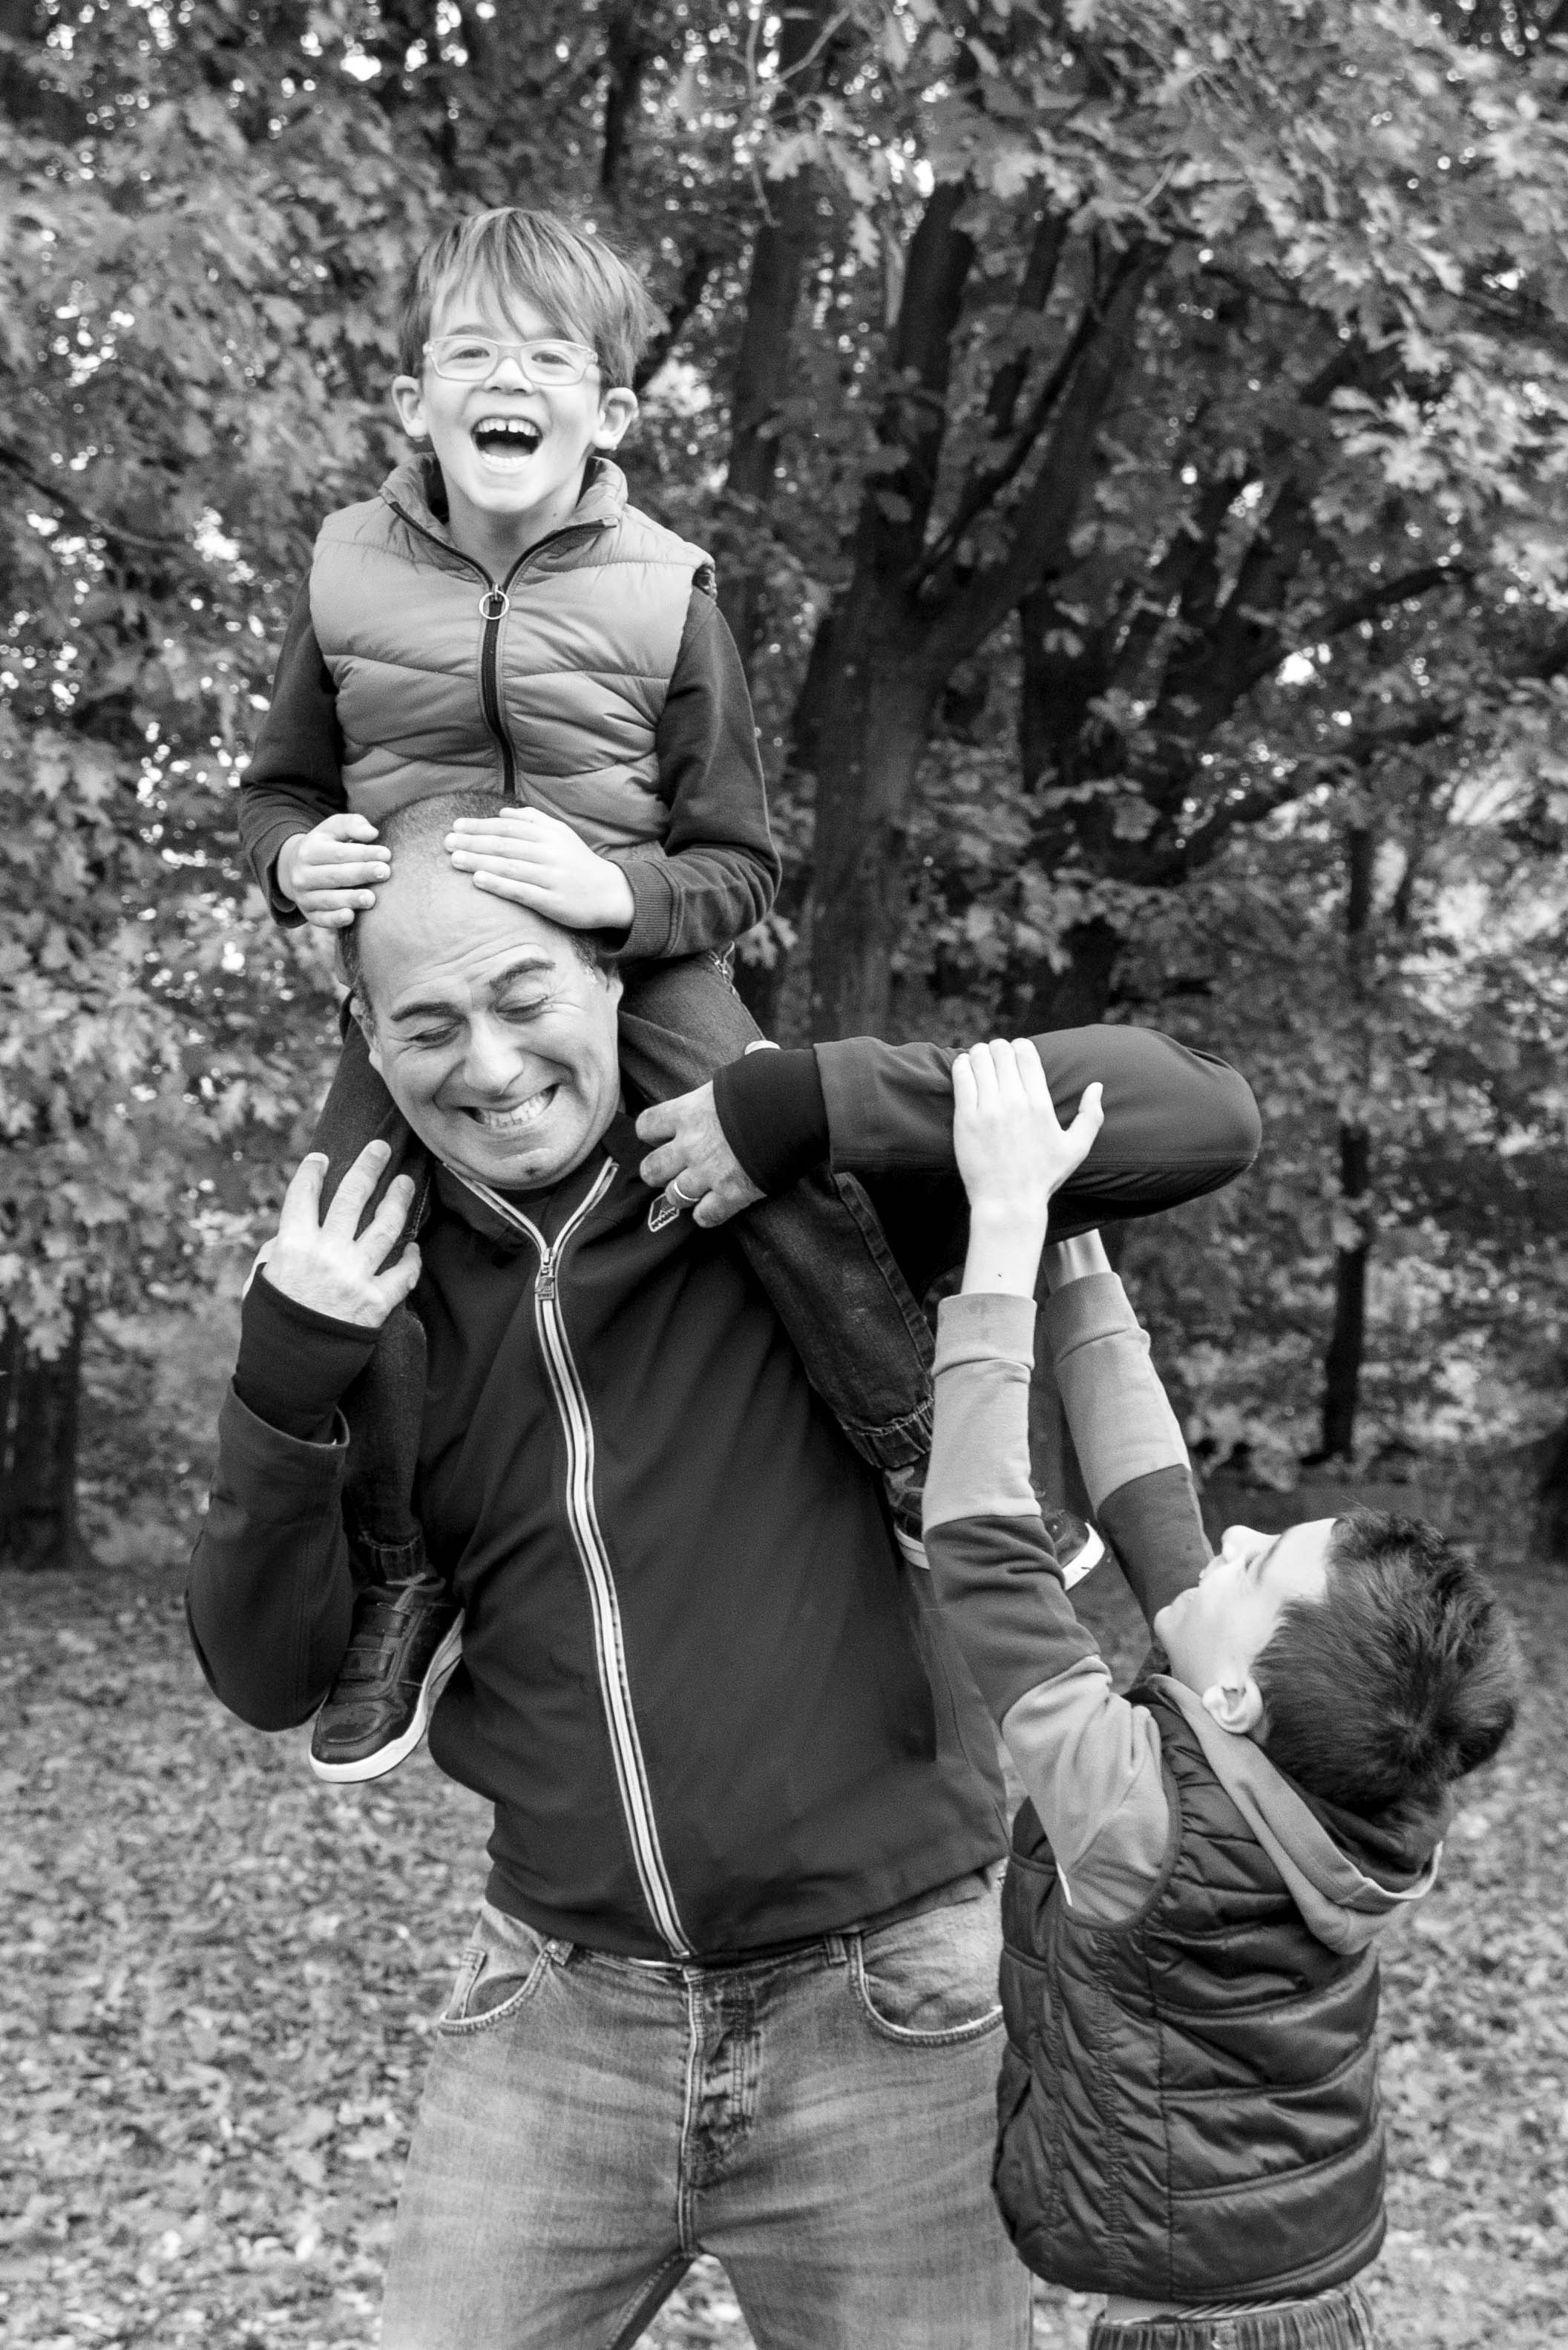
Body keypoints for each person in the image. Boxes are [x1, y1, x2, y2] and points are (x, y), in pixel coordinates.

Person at [187, 799, 1263, 2350]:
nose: (486, 1065)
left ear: (616, 969)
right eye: (426, 1024)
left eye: (523, 997)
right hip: (555, 2017)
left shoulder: (786, 1185)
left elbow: (1199, 1116)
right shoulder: (372, 1279)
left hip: (892, 2009)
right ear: (366, 1030)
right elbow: (262, 1668)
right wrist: (285, 1375)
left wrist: (815, 1101)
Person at [239, 203, 944, 1784]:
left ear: (606, 412)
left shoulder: (662, 591)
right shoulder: (348, 577)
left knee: (757, 1147)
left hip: (636, 955)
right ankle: (400, 1573)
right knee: (354, 1238)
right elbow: (274, 793)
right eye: (470, 352)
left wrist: (618, 895)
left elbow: (741, 861)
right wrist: (294, 865)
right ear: (416, 399)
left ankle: (913, 1441)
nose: (507, 378)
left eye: (545, 357)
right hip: (424, 978)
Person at [920, 1038, 1523, 2350]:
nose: (1233, 1544)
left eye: (1259, 1564)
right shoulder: (1341, 1786)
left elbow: (981, 1542)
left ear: (1238, 1695)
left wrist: (1006, 1231)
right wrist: (1076, 1250)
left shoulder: (1142, 1820)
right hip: (1311, 2295)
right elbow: (1158, 1512)